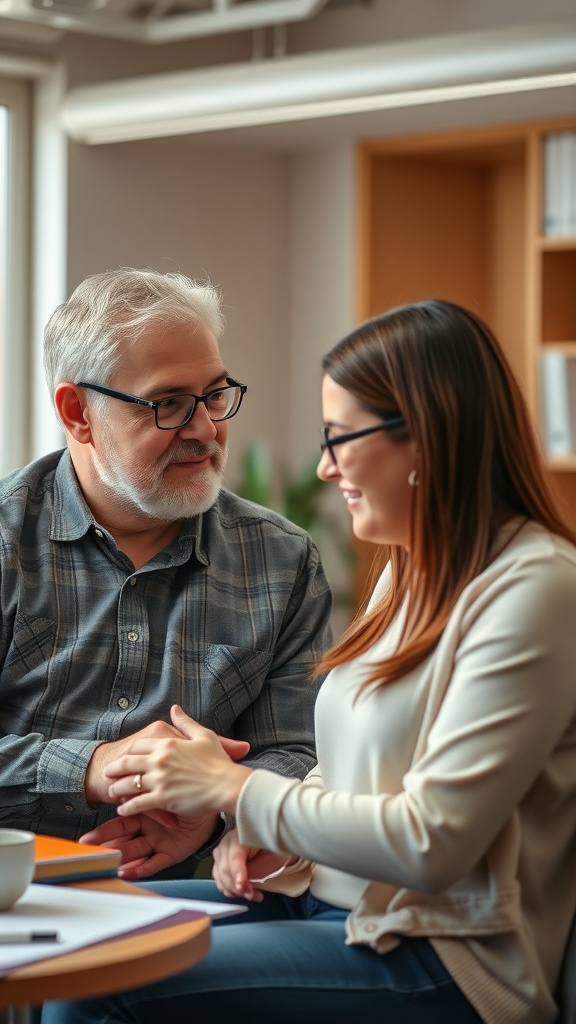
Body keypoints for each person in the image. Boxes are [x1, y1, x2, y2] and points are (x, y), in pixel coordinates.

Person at [41, 299, 576, 1024]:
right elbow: (353, 769)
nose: (325, 468)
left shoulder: (540, 588)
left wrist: (235, 792)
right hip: (324, 904)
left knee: (99, 982)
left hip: (441, 955)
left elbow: (431, 844)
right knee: (69, 930)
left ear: (423, 437)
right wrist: (272, 841)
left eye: (339, 438)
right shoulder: (413, 570)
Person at [0, 267, 333, 880]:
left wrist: (214, 805)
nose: (206, 429)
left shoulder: (282, 561)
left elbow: (299, 754)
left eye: (213, 395)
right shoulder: (6, 542)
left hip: (196, 902)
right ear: (78, 414)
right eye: (169, 404)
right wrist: (94, 767)